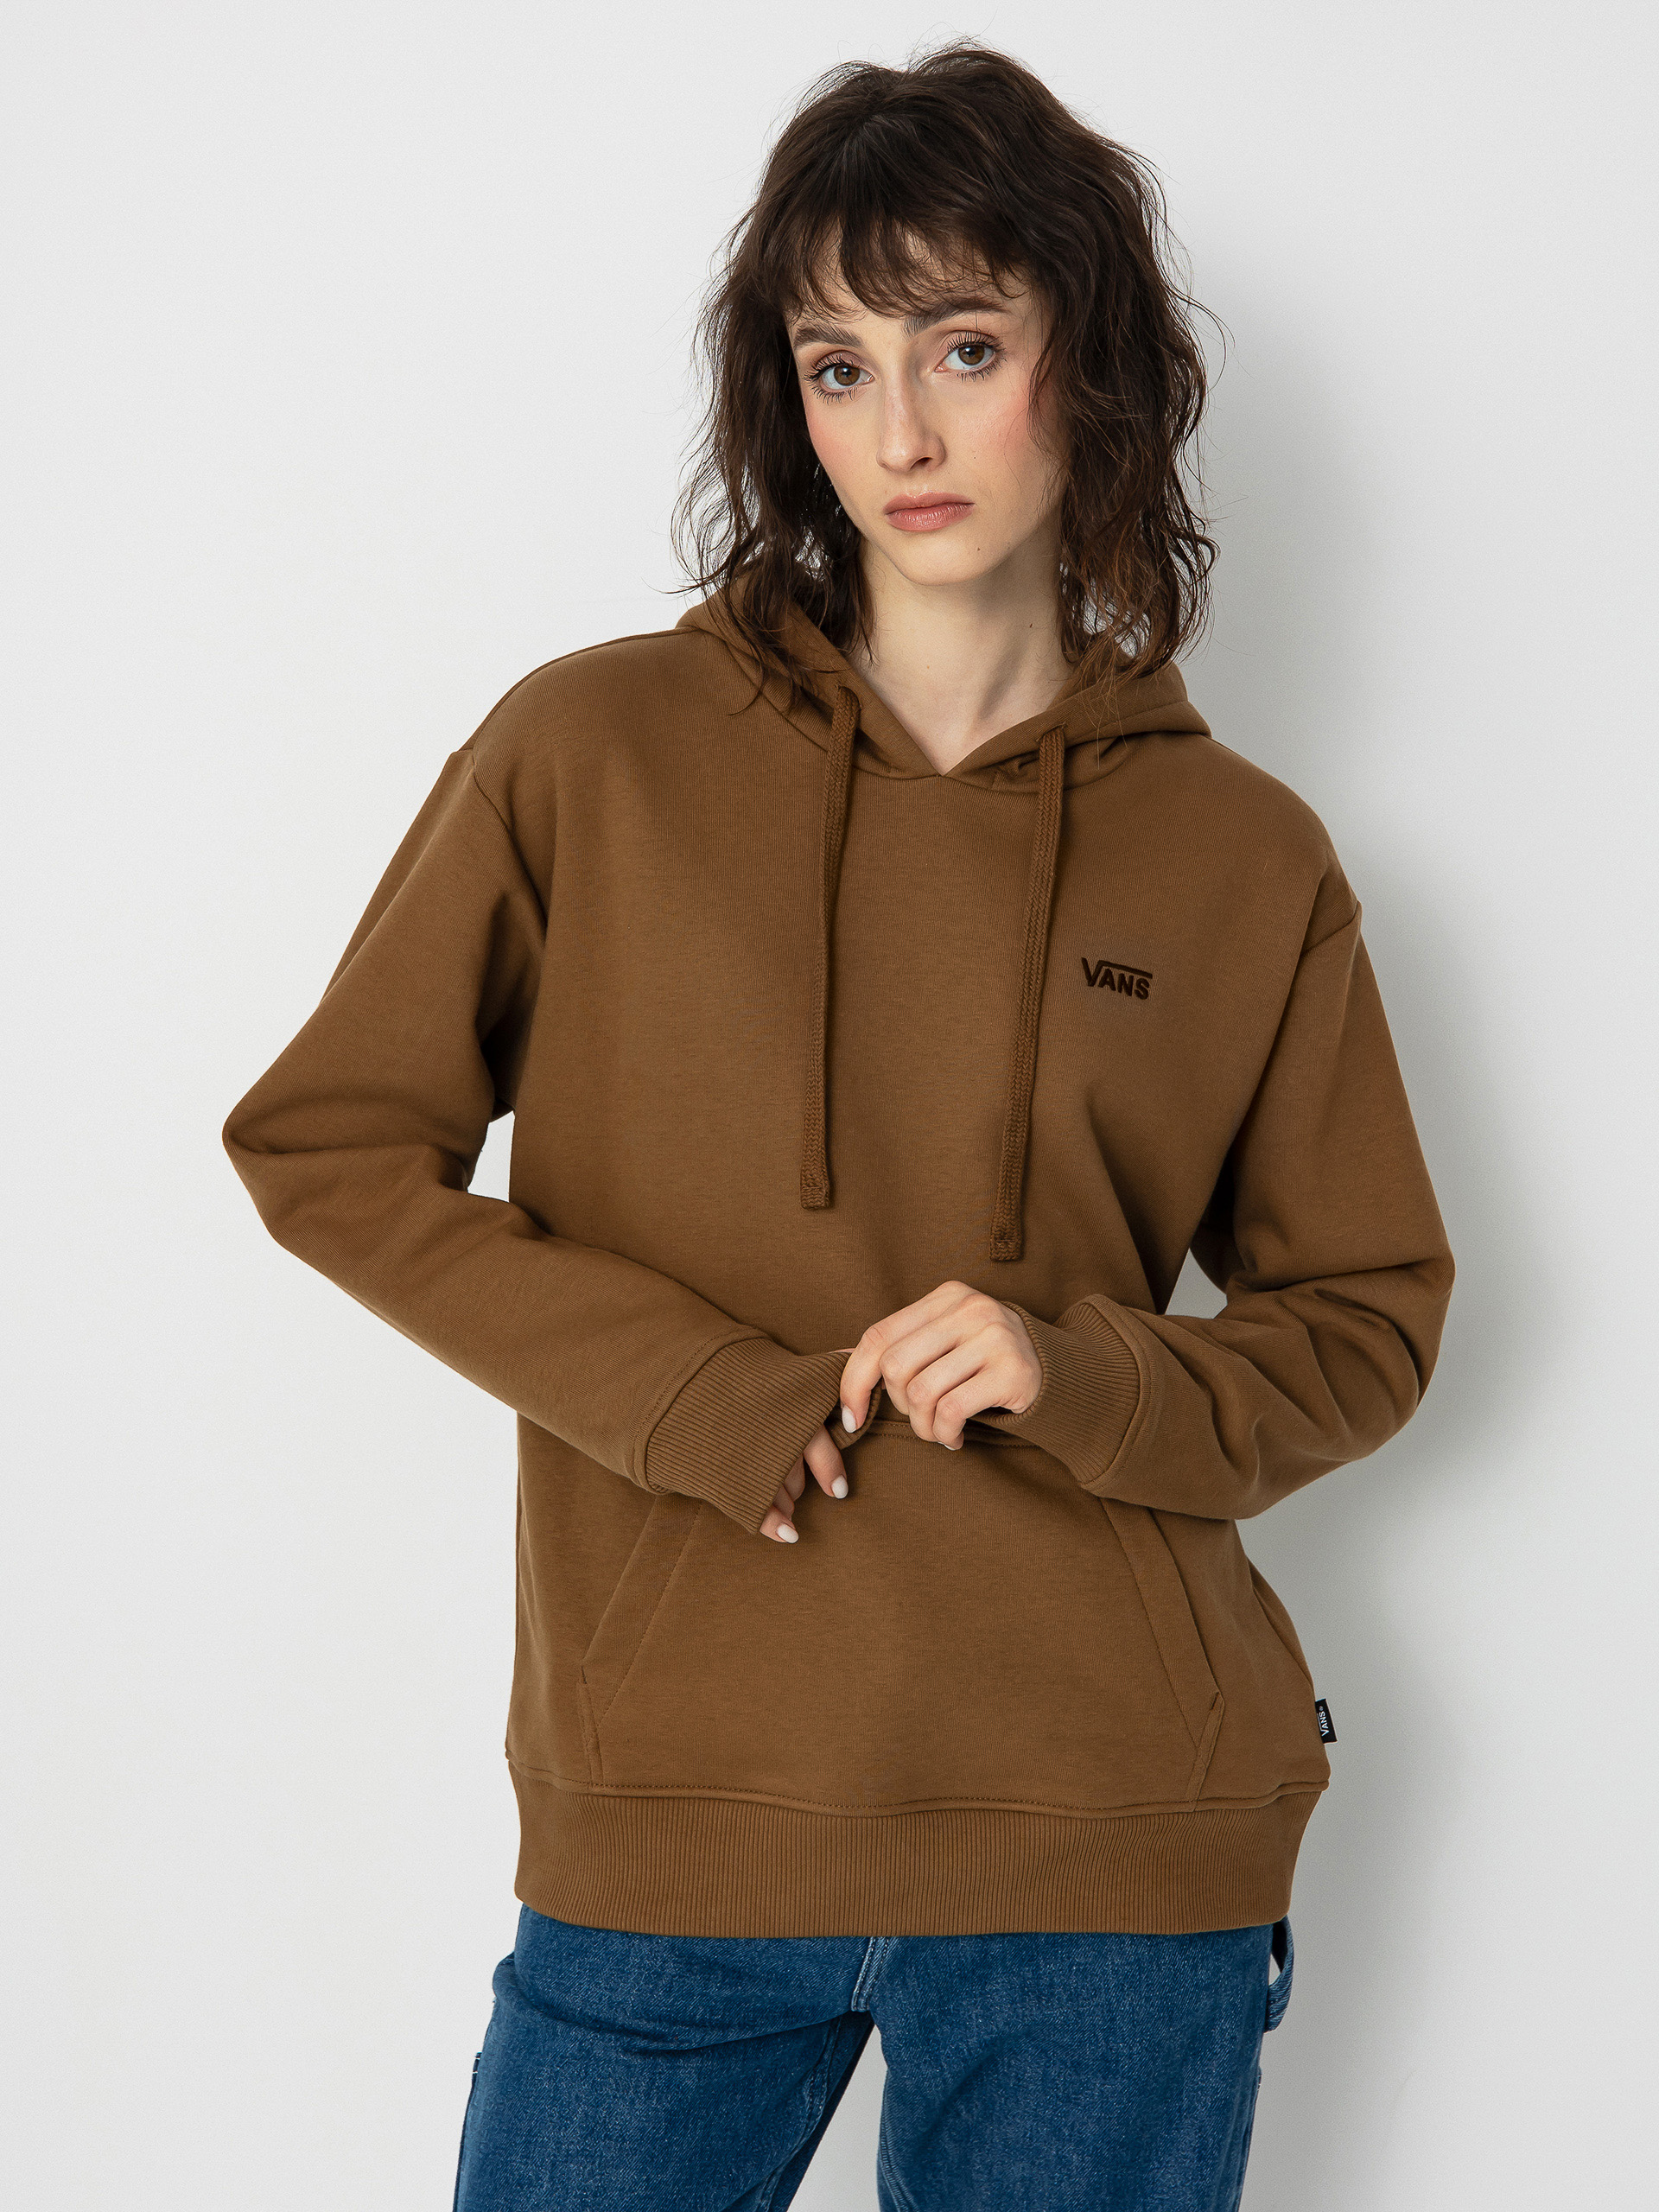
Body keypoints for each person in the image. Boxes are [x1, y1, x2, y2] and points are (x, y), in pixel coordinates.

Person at [222, 43, 1453, 2212]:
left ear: (1095, 367)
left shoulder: (1242, 853)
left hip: (1109, 1848)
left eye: (965, 346)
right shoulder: (591, 753)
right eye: (837, 363)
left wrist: (1087, 1369)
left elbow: (1366, 1313)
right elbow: (327, 1146)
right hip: (680, 1817)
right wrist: (693, 1387)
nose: (901, 433)